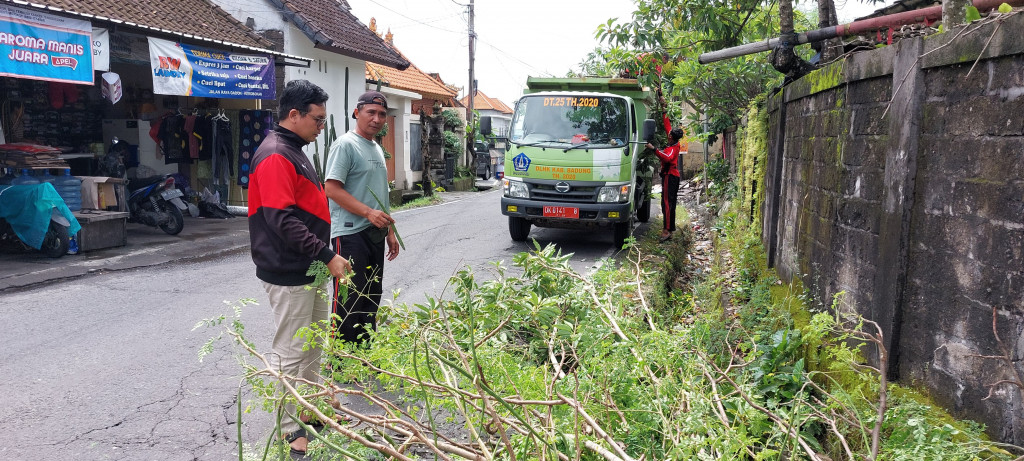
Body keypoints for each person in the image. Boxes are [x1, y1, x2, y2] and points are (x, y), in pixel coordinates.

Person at [247, 79, 351, 456]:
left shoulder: (294, 148)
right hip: (289, 269)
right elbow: (282, 219)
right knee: (292, 351)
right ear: (295, 115)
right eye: (318, 120)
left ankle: (312, 409)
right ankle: (291, 430)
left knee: (313, 344)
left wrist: (321, 259)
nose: (322, 127)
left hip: (308, 268)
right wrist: (327, 254)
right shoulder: (277, 154)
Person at [325, 91, 400, 345]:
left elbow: (380, 194)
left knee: (370, 296)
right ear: (357, 113)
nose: (377, 119)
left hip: (374, 234)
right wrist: (368, 213)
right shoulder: (346, 144)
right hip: (349, 234)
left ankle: (364, 357)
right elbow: (331, 189)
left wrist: (390, 232)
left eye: (382, 114)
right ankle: (341, 362)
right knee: (348, 299)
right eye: (371, 112)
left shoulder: (377, 148)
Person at [646, 113, 686, 242]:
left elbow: (667, 158)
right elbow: (667, 124)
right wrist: (664, 109)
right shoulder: (672, 140)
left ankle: (667, 230)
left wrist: (654, 149)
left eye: (669, 136)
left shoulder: (674, 147)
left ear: (673, 138)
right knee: (668, 203)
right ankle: (669, 228)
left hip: (671, 176)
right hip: (669, 176)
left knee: (667, 204)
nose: (667, 137)